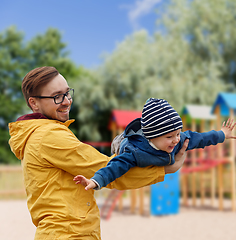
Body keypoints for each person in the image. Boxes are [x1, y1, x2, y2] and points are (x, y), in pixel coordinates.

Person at [8, 66, 189, 240]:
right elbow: (108, 170)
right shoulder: (48, 136)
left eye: (67, 93)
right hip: (69, 234)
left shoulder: (37, 134)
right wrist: (164, 169)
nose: (66, 101)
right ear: (34, 103)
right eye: (57, 96)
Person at [74, 98, 236, 191]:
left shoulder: (179, 140)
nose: (175, 140)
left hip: (152, 147)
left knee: (188, 137)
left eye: (177, 133)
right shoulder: (134, 152)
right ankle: (124, 136)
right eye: (169, 136)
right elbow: (115, 166)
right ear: (152, 137)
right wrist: (96, 181)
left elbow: (201, 138)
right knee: (120, 150)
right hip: (124, 144)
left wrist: (222, 134)